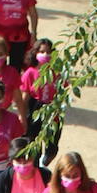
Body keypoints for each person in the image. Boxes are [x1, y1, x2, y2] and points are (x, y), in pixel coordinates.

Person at [21, 38, 61, 166]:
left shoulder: (57, 73)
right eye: (42, 51)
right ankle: (37, 169)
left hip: (52, 111)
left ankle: (46, 161)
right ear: (35, 53)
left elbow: (62, 91)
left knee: (52, 146)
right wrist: (22, 115)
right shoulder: (30, 73)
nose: (45, 55)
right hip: (35, 109)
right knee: (34, 144)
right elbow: (25, 97)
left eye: (49, 52)